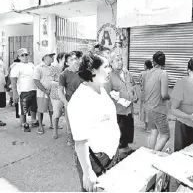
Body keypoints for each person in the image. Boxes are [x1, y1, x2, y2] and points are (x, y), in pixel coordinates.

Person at [67, 53, 120, 192]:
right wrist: (88, 171)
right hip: (96, 159)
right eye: (106, 67)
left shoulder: (100, 88)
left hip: (111, 154)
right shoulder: (79, 100)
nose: (110, 70)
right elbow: (80, 141)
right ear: (92, 70)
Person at [105, 53, 137, 155]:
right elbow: (106, 95)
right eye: (117, 60)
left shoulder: (127, 73)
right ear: (111, 63)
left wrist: (134, 94)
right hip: (118, 112)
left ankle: (126, 150)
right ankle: (118, 157)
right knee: (119, 136)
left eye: (121, 59)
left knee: (128, 133)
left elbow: (133, 85)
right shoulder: (109, 76)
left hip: (129, 110)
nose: (120, 62)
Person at [142, 51, 170, 151]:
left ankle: (150, 153)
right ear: (164, 62)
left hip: (149, 107)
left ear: (153, 61)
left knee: (154, 131)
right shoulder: (163, 74)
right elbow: (164, 94)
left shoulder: (147, 73)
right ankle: (154, 155)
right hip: (158, 108)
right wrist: (169, 97)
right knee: (165, 135)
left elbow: (145, 90)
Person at [59, 51, 84, 146]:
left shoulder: (83, 71)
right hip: (71, 102)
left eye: (75, 59)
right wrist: (65, 102)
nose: (75, 61)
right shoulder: (63, 74)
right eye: (71, 60)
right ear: (67, 63)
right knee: (71, 123)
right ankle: (70, 137)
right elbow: (60, 91)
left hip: (83, 102)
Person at [11, 48, 38, 132]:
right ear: (19, 57)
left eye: (26, 54)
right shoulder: (16, 66)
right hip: (23, 91)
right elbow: (13, 81)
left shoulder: (32, 65)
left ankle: (34, 120)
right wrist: (14, 93)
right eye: (22, 55)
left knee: (34, 107)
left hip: (33, 89)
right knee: (23, 108)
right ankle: (23, 123)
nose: (25, 56)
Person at [34, 53, 56, 135]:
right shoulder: (38, 68)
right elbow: (36, 81)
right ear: (45, 58)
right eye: (51, 56)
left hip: (53, 91)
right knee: (41, 110)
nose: (52, 58)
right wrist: (45, 90)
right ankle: (40, 126)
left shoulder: (54, 68)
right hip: (42, 92)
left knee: (52, 109)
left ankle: (52, 124)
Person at [49, 52, 66, 139]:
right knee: (57, 113)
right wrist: (60, 84)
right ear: (59, 59)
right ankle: (55, 131)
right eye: (64, 58)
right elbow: (50, 81)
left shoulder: (68, 69)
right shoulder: (54, 68)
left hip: (67, 94)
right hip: (56, 94)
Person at [139, 60, 153, 131]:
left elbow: (141, 84)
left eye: (144, 65)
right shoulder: (153, 73)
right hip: (151, 94)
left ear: (146, 66)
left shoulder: (142, 73)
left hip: (144, 94)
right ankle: (149, 127)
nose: (143, 67)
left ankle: (146, 126)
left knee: (144, 110)